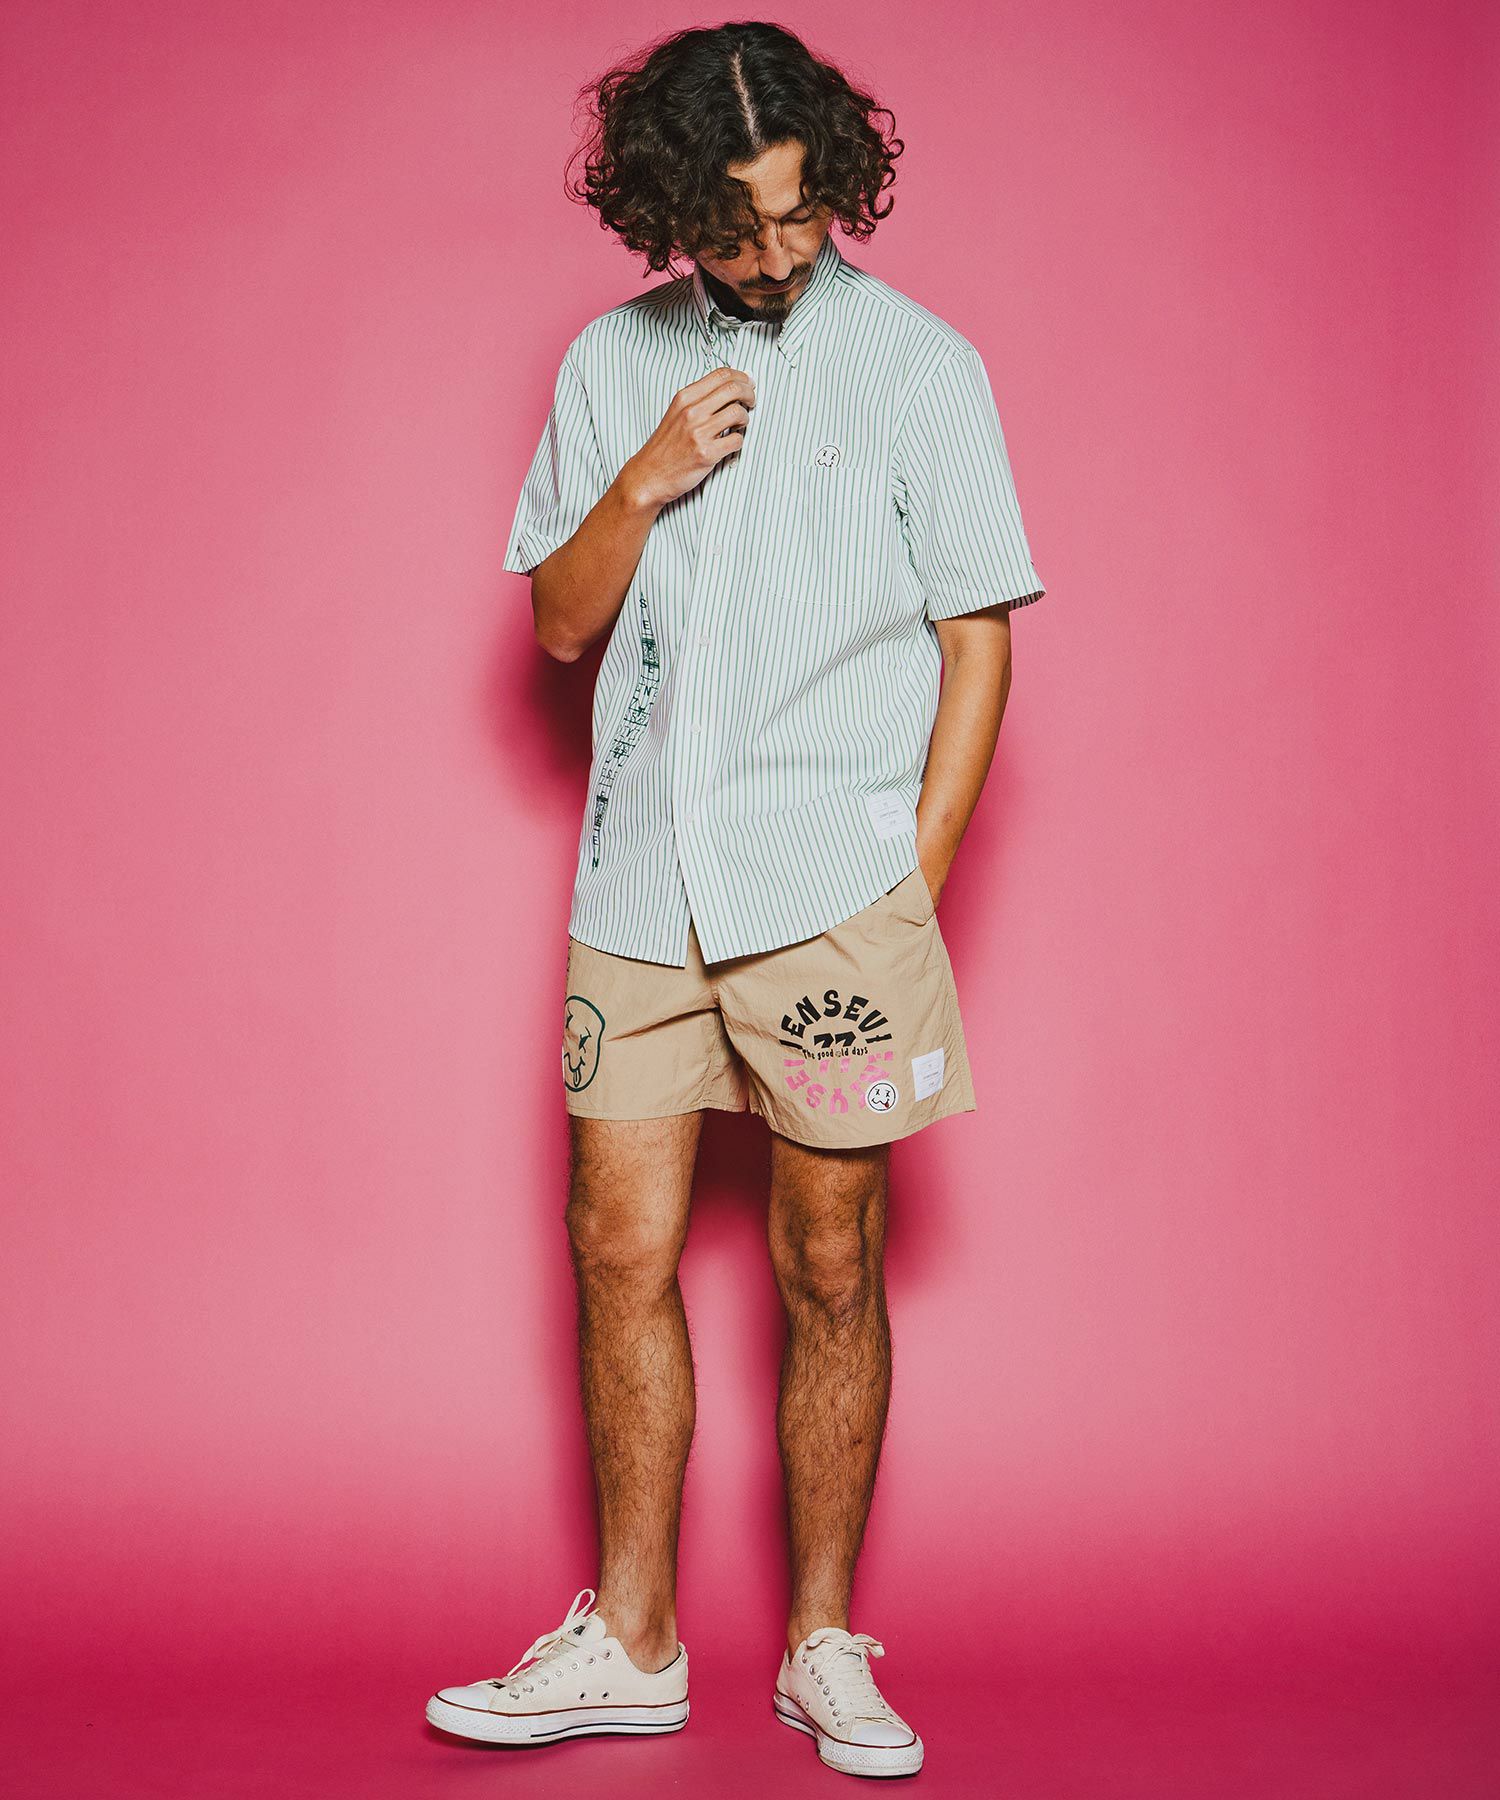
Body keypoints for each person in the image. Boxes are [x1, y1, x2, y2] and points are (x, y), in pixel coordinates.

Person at [426, 20, 1046, 1780]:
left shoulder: (921, 367)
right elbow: (558, 627)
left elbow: (979, 639)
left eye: (798, 215)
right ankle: (631, 1642)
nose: (775, 254)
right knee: (615, 1250)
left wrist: (910, 885)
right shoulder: (609, 364)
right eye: (734, 225)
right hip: (639, 882)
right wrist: (644, 479)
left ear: (834, 181)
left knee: (829, 1262)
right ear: (666, 211)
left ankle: (823, 1645)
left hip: (835, 891)